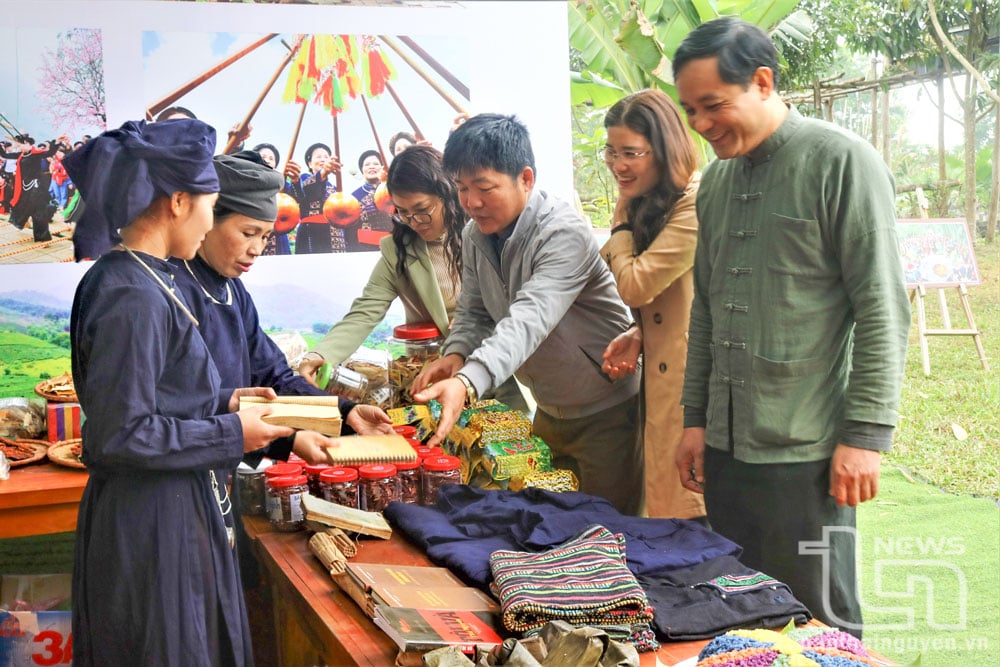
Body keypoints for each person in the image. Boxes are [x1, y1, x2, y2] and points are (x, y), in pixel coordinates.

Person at [672, 17, 910, 636]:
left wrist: (865, 437)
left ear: (763, 81)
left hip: (807, 449)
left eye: (713, 106)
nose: (700, 125)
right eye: (691, 109)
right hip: (725, 449)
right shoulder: (716, 182)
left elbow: (882, 309)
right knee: (736, 611)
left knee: (820, 621)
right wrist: (694, 421)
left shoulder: (843, 162)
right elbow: (707, 308)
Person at [63, 118, 294, 665]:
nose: (212, 220)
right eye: (213, 206)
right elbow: (121, 434)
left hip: (178, 509)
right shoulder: (130, 294)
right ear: (178, 201)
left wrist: (228, 403)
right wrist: (234, 431)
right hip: (151, 529)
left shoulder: (152, 277)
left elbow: (161, 397)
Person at [170, 149, 393, 589]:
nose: (257, 249)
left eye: (265, 236)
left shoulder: (233, 292)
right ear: (207, 217)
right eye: (248, 232)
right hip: (175, 489)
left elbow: (276, 377)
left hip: (220, 480)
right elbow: (189, 406)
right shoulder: (171, 292)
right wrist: (289, 438)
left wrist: (344, 412)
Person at [410, 113, 642, 515]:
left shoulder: (562, 231)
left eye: (484, 187)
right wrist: (456, 354)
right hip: (550, 413)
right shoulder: (474, 234)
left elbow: (529, 318)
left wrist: (467, 382)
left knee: (609, 530)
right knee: (552, 526)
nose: (471, 202)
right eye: (462, 188)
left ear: (526, 178)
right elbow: (474, 311)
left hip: (609, 411)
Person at [298, 145, 526, 411]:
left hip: (501, 370)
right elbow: (365, 312)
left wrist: (471, 322)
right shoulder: (400, 251)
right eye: (403, 212)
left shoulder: (484, 233)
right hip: (434, 380)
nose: (414, 221)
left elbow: (523, 303)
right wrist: (320, 355)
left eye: (422, 209)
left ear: (446, 193)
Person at [598, 89, 706, 520]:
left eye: (631, 152)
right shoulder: (653, 201)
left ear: (664, 151)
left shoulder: (694, 200)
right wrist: (641, 332)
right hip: (663, 381)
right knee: (666, 509)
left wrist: (620, 225)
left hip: (691, 386)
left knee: (690, 511)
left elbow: (637, 285)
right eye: (610, 151)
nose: (618, 165)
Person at [1, 133, 70, 242]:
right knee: (18, 206)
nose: (18, 148)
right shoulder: (21, 155)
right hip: (24, 188)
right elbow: (5, 155)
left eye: (19, 145)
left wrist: (56, 142)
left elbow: (50, 152)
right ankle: (22, 222)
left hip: (36, 188)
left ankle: (43, 238)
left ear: (27, 143)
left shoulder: (36, 153)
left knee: (38, 213)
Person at [285, 141, 346, 254]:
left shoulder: (334, 188)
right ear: (310, 164)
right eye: (318, 156)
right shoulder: (304, 178)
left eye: (326, 157)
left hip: (336, 235)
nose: (323, 159)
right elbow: (305, 190)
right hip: (312, 234)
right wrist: (323, 173)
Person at [350, 149, 394, 250]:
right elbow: (350, 229)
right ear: (362, 170)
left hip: (393, 245)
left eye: (376, 163)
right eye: (367, 164)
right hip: (365, 247)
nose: (371, 166)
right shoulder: (354, 196)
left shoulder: (394, 191)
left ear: (382, 168)